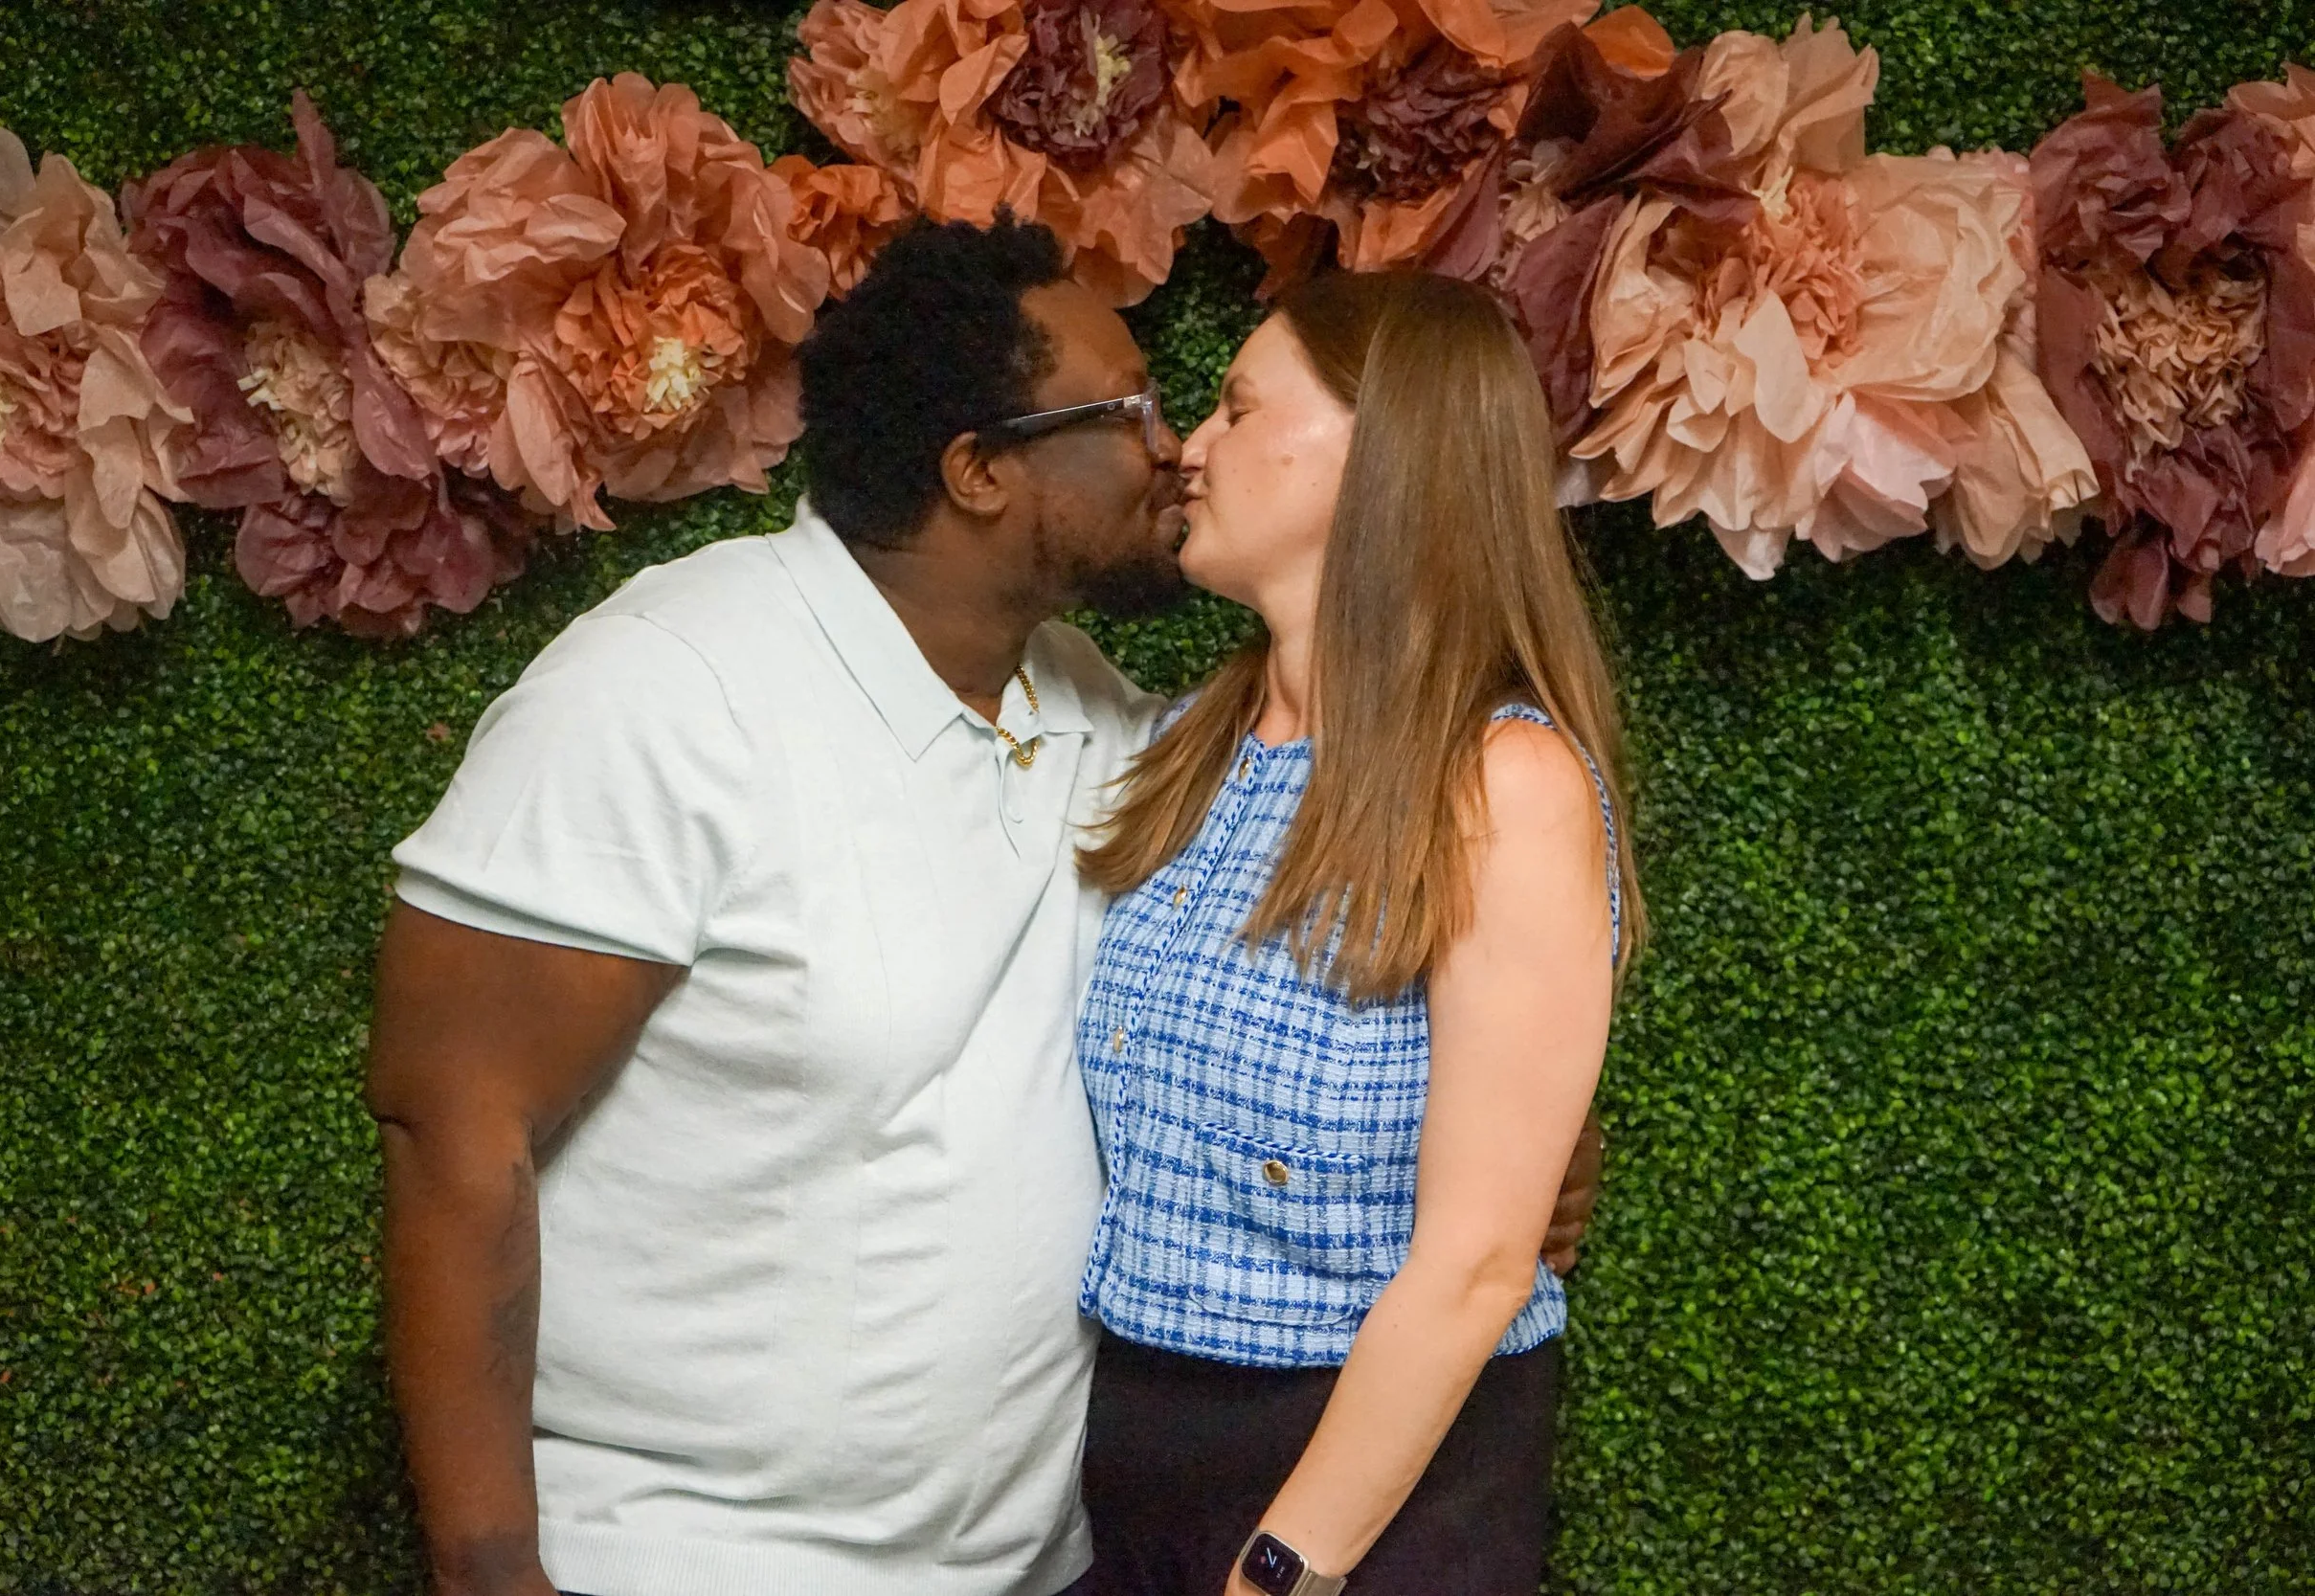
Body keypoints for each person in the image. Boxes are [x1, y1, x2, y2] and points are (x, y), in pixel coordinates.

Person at [364, 216, 1603, 1596]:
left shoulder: (1110, 725)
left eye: (1210, 408)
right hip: (698, 1554)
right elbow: (450, 1122)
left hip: (1061, 1559)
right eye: (1133, 410)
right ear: (980, 469)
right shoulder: (669, 688)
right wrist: (489, 1573)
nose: (1176, 447)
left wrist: (1499, 1156)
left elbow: (1376, 991)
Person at [1071, 270, 1643, 1596]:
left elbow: (1479, 1260)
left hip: (1374, 1495)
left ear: (1382, 449)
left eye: (1236, 407)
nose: (1189, 448)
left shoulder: (1503, 785)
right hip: (1138, 1466)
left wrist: (1283, 1569)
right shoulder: (1187, 744)